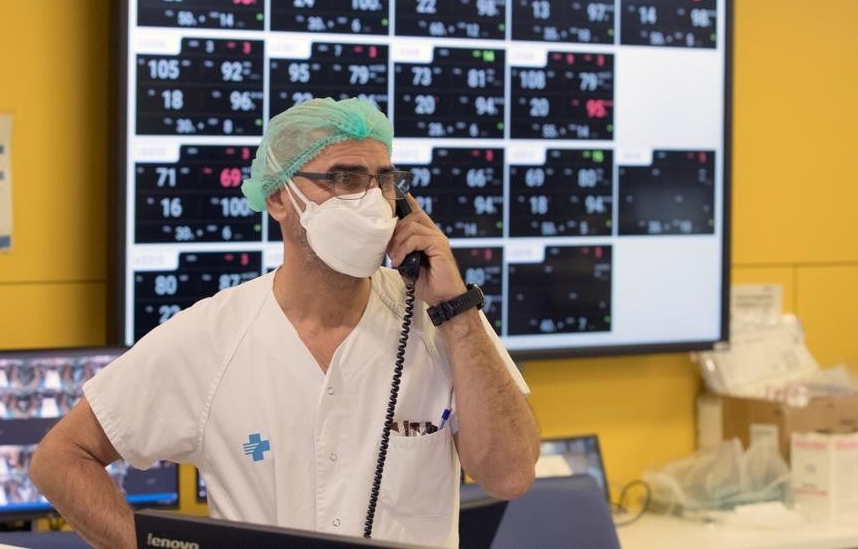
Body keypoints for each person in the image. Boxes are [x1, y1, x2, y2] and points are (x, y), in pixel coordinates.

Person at [30, 97, 539, 548]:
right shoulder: (210, 336)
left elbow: (510, 476)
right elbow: (60, 458)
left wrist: (455, 307)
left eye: (385, 181)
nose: (371, 200)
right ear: (277, 198)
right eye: (344, 179)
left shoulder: (444, 321)